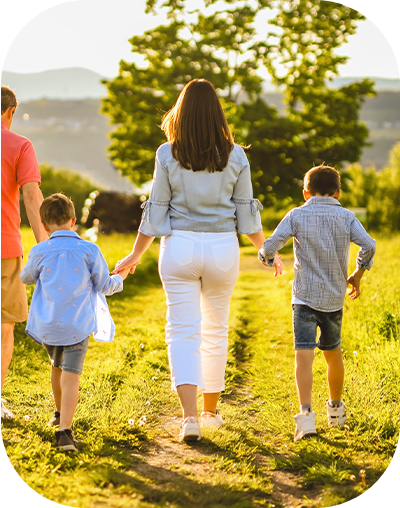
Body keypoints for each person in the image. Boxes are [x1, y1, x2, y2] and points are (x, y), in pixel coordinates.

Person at [113, 79, 282, 442]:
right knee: (216, 329)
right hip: (222, 248)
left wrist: (135, 253)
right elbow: (246, 213)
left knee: (182, 331)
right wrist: (267, 249)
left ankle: (189, 419)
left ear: (181, 112)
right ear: (218, 113)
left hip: (180, 246)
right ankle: (209, 412)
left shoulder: (166, 154)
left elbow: (157, 209)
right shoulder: (237, 156)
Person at [258, 165, 376, 442]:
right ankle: (335, 411)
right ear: (338, 193)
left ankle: (306, 416)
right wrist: (357, 274)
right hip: (334, 300)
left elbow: (270, 245)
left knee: (304, 356)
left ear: (305, 192)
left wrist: (267, 258)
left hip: (304, 299)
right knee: (333, 355)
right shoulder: (347, 216)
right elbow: (369, 245)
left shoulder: (296, 215)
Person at [20, 194, 130, 451]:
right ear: (73, 220)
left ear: (44, 225)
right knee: (71, 377)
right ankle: (64, 432)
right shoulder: (89, 250)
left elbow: (26, 278)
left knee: (56, 366)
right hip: (77, 326)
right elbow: (105, 285)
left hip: (49, 326)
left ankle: (58, 414)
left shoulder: (40, 251)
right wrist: (122, 275)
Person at [1, 85, 48, 419]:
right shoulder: (20, 145)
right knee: (4, 327)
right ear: (10, 112)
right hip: (5, 249)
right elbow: (32, 197)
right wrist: (46, 245)